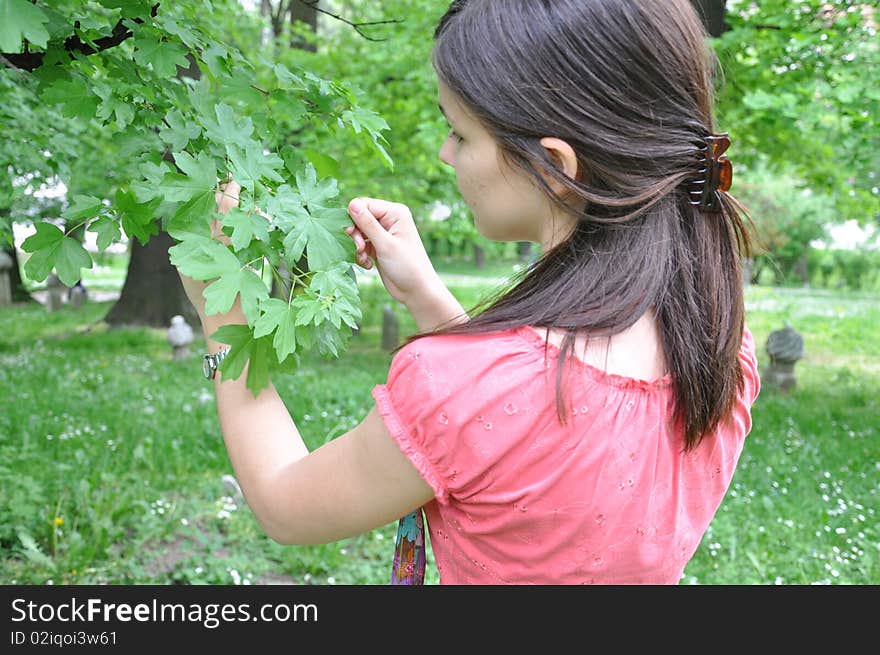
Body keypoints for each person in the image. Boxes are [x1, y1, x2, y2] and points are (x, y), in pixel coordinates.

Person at [176, 0, 760, 585]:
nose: (445, 153)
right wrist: (428, 299)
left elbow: (284, 503)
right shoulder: (723, 348)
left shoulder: (459, 385)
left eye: (460, 132)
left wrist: (223, 312)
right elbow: (514, 420)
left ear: (553, 164)